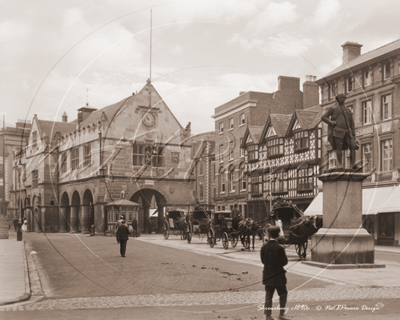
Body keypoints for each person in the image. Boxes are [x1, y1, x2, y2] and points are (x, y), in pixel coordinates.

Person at [321, 93, 359, 170]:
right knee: (339, 147)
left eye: (343, 97)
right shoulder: (333, 108)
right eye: (340, 97)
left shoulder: (348, 110)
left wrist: (353, 135)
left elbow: (351, 123)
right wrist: (331, 122)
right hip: (337, 131)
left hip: (347, 132)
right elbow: (323, 117)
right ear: (337, 99)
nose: (342, 98)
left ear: (345, 99)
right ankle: (341, 164)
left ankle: (353, 164)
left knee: (352, 146)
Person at [260, 226, 289, 320]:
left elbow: (263, 261)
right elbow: (284, 262)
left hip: (268, 275)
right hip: (279, 275)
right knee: (283, 294)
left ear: (269, 235)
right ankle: (281, 314)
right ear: (278, 235)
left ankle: (268, 315)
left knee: (268, 295)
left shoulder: (264, 247)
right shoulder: (280, 248)